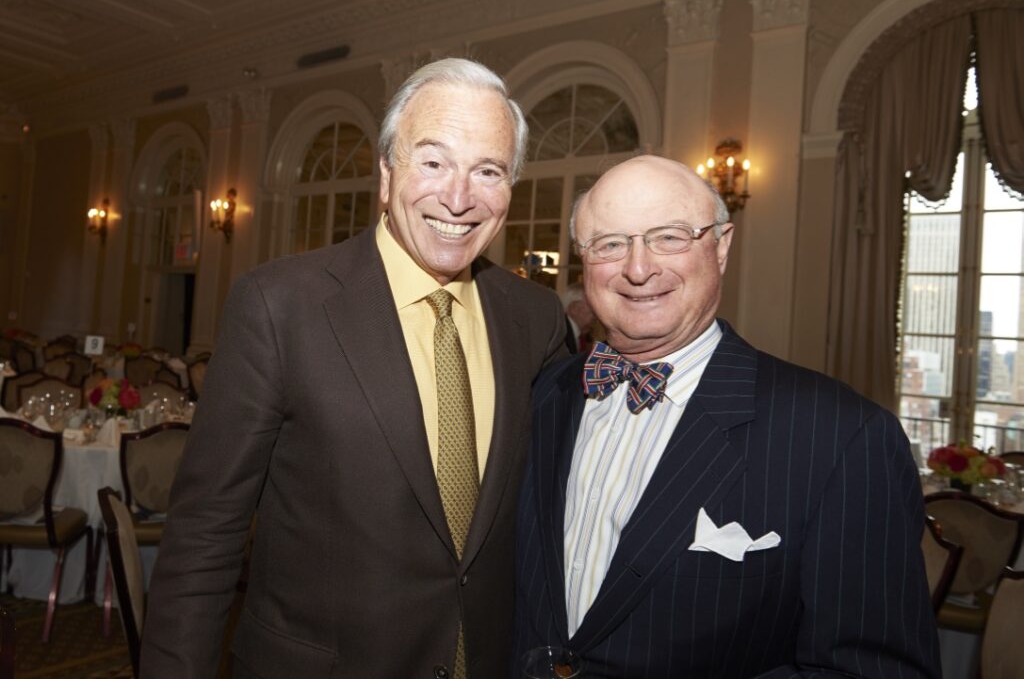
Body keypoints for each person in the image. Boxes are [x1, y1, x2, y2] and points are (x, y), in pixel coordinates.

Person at [141, 58, 567, 679]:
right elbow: (206, 535)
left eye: (488, 171)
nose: (458, 197)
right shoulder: (280, 305)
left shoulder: (535, 316)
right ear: (387, 172)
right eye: (433, 161)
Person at [512, 155, 940, 678]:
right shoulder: (546, 395)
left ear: (721, 246)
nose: (639, 267)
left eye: (670, 237)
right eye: (610, 244)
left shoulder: (842, 437)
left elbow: (873, 671)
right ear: (584, 262)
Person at [559, 282, 595, 354]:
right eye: (592, 306)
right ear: (574, 308)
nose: (596, 312)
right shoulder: (561, 337)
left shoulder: (578, 334)